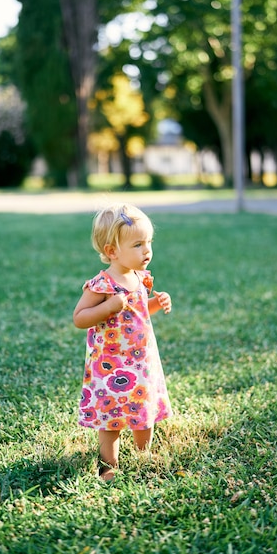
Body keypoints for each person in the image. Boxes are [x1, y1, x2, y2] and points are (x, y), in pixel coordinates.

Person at [73, 203, 173, 481]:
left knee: (144, 408)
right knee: (111, 416)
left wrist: (155, 302)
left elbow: (138, 312)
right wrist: (107, 308)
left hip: (141, 361)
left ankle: (144, 453)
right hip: (110, 365)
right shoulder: (101, 285)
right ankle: (108, 465)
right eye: (138, 244)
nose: (147, 251)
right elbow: (80, 318)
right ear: (112, 251)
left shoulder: (140, 278)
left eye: (149, 242)